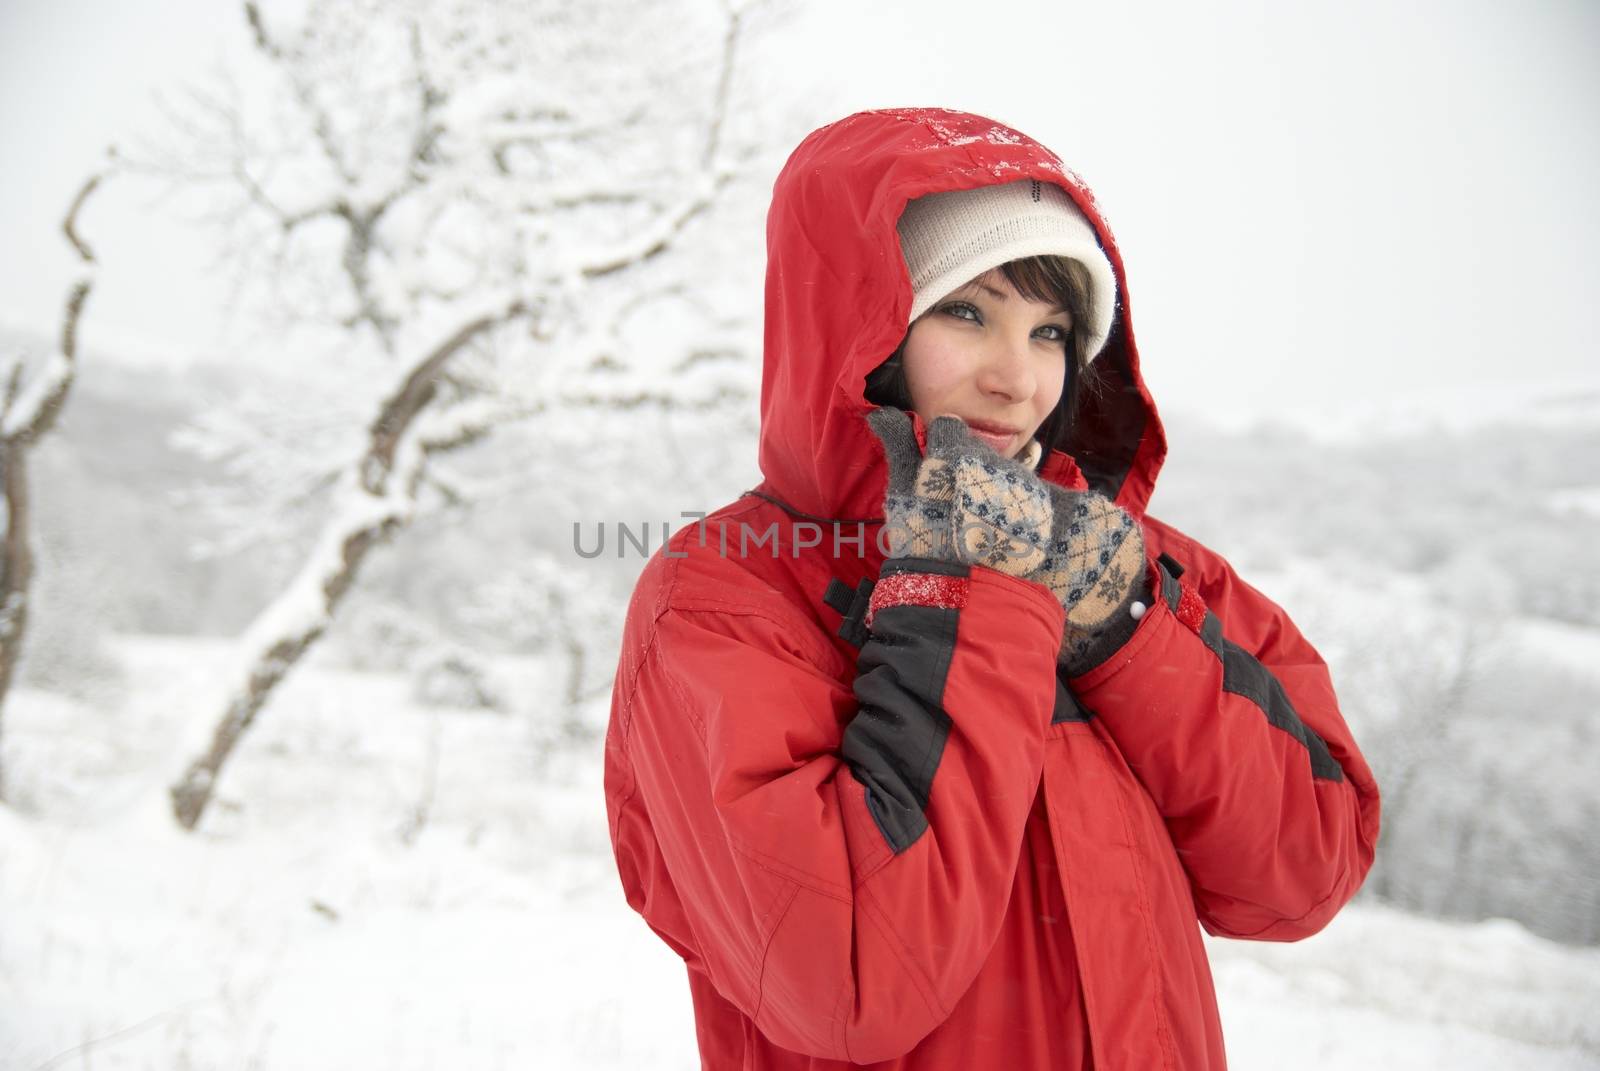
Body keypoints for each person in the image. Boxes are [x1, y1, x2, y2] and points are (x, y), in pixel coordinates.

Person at [603, 107, 1380, 1069]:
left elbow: (1302, 874)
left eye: (1051, 331)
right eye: (966, 312)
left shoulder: (1134, 566)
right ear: (859, 329)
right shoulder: (725, 597)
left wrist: (1124, 628)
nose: (1020, 379)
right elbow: (851, 980)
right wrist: (966, 596)